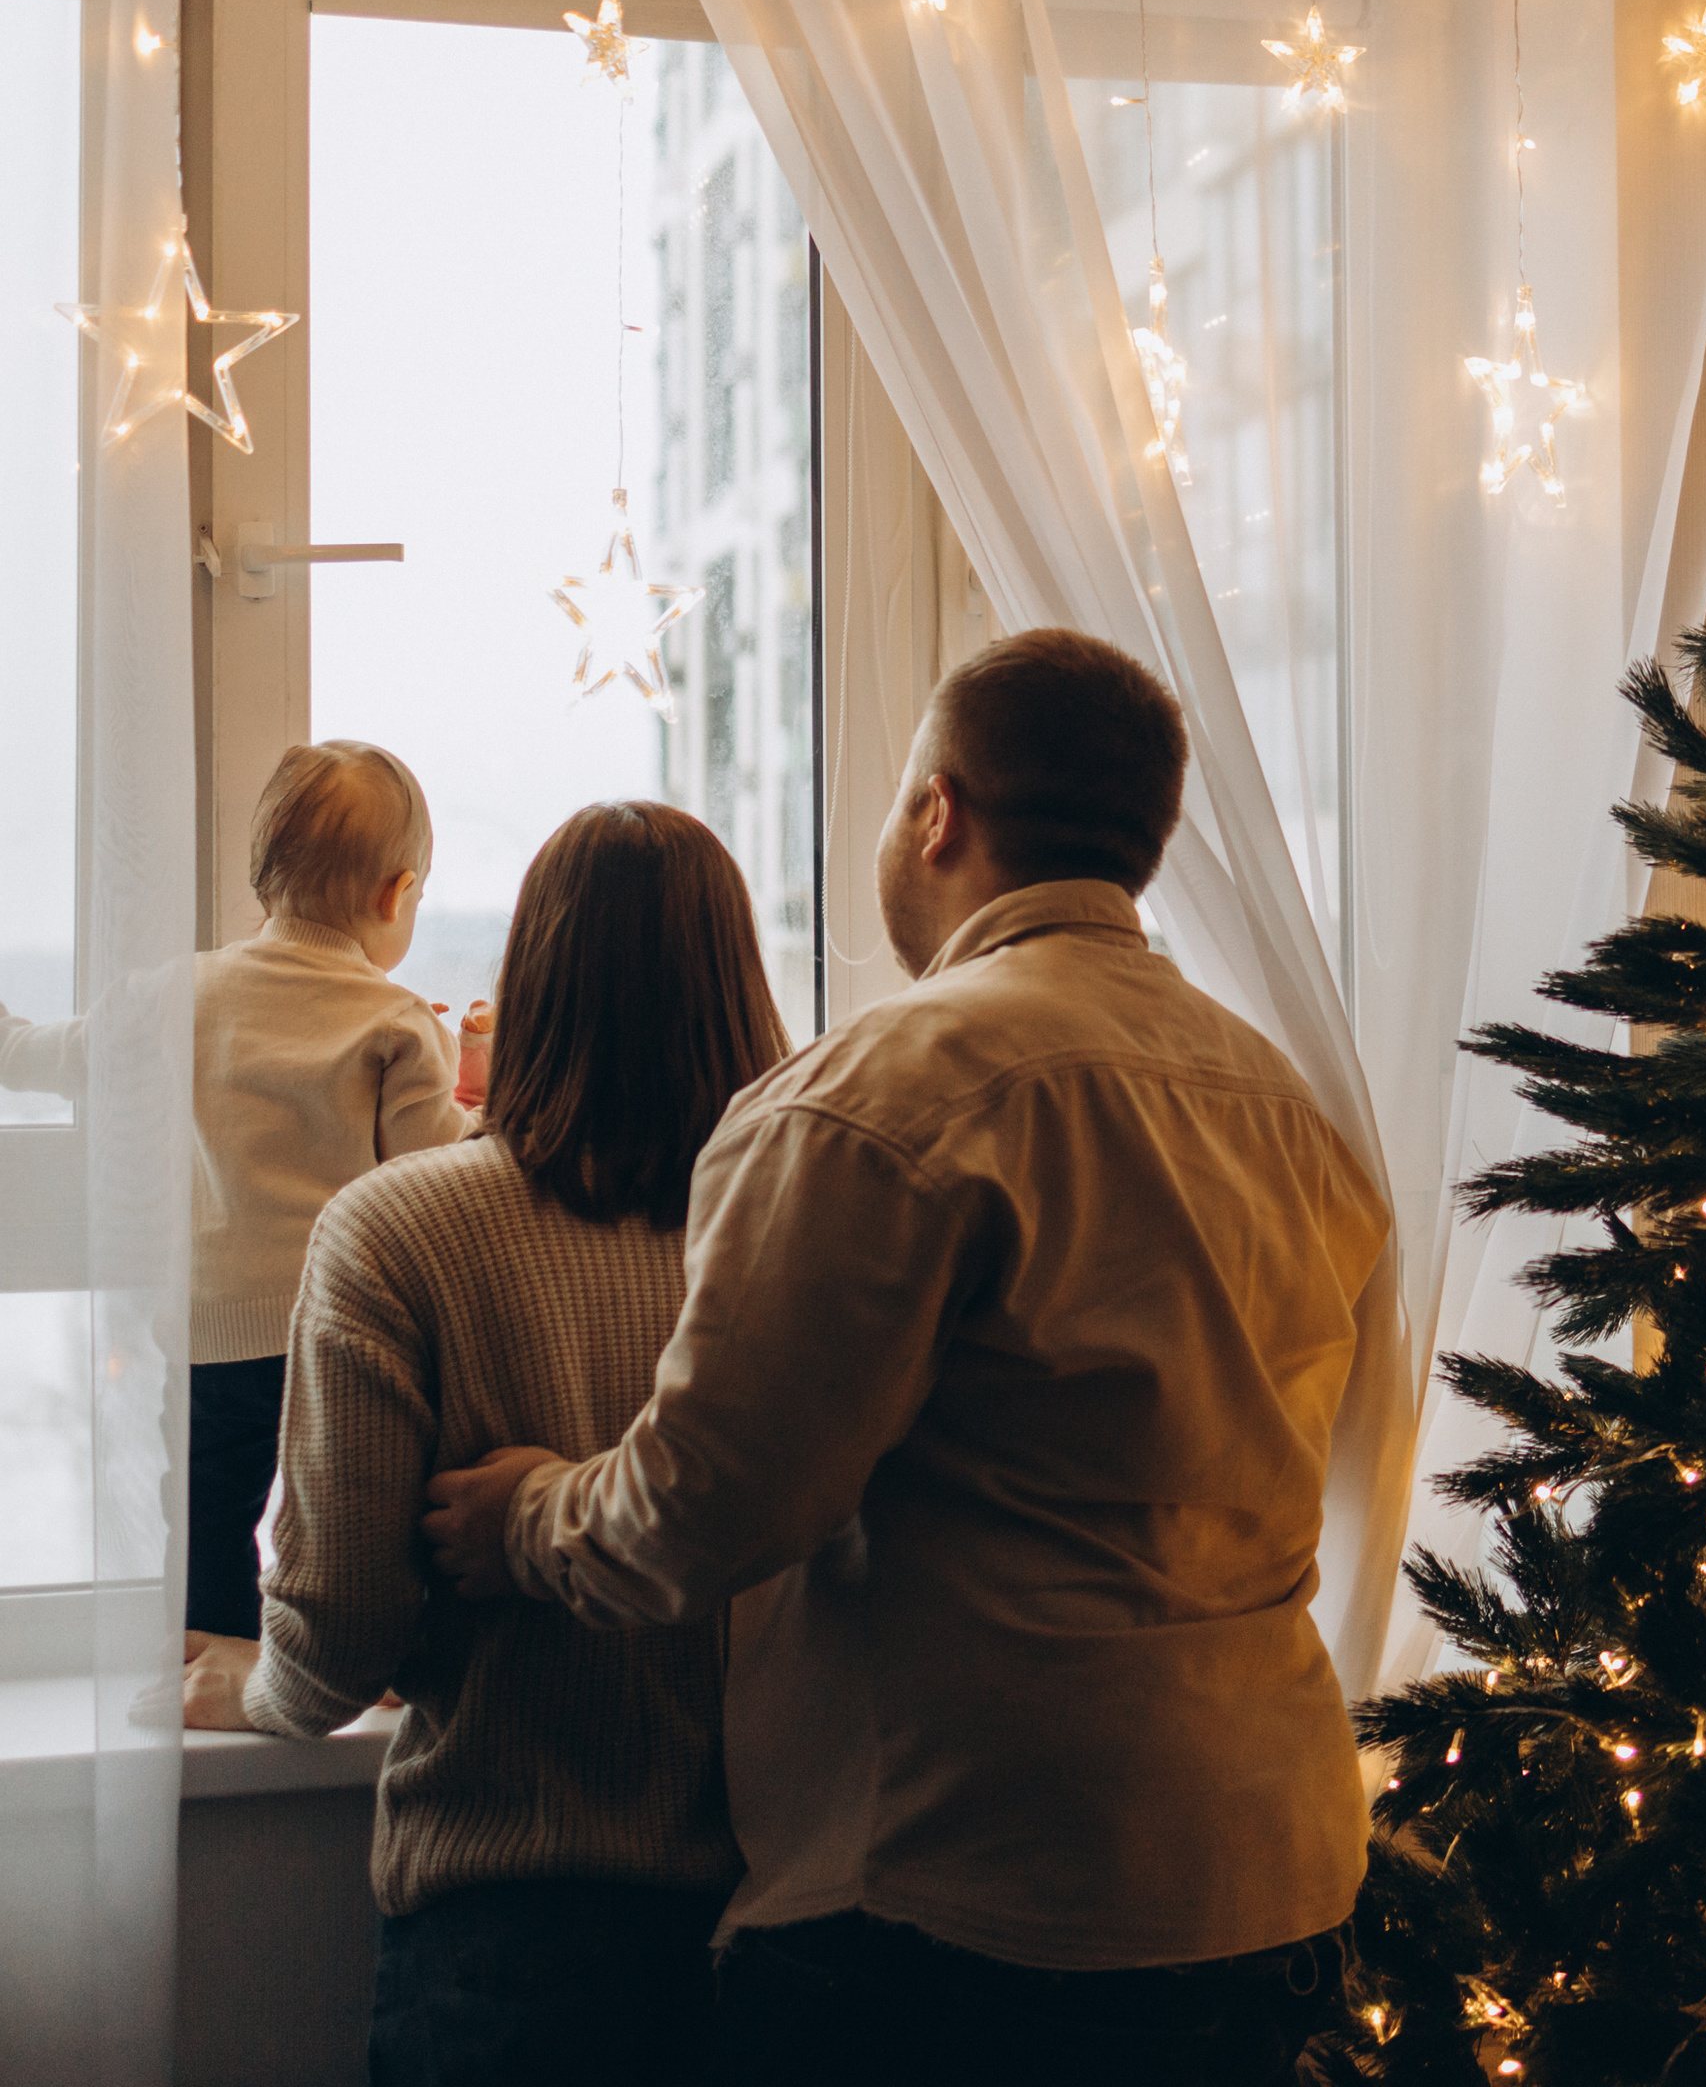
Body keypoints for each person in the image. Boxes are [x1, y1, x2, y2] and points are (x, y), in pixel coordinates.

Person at [422, 629, 1392, 2087]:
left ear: (939, 812)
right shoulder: (1283, 1106)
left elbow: (710, 1507)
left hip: (979, 1899)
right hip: (1271, 1873)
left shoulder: (874, 1099)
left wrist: (520, 1518)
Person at [181, 801, 789, 2086]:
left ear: (529, 980)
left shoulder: (395, 1230)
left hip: (509, 1934)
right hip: (782, 1926)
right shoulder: (805, 1230)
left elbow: (338, 1642)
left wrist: (253, 1686)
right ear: (741, 986)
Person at [0, 741, 469, 1636]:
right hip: (344, 1333)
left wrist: (7, 1039)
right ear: (396, 894)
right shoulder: (396, 1024)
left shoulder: (175, 995)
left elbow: (56, 1056)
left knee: (208, 1518)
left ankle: (209, 1656)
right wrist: (486, 1097)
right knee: (360, 1516)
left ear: (264, 874)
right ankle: (354, 1660)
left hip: (210, 1334)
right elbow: (435, 1175)